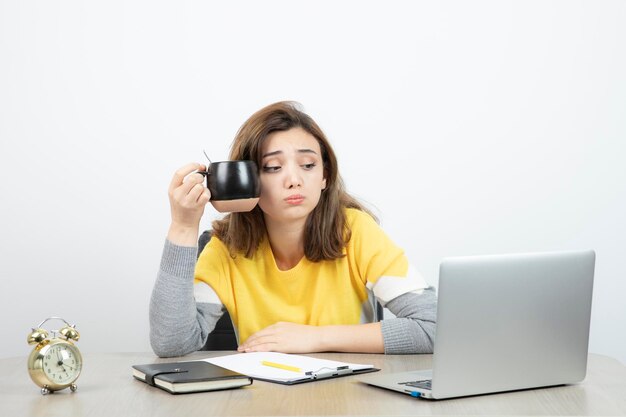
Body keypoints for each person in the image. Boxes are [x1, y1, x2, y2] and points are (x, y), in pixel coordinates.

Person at [150, 101, 436, 357]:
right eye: (273, 167)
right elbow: (171, 343)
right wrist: (183, 226)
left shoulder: (356, 231)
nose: (294, 180)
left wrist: (315, 338)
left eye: (308, 164)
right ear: (248, 180)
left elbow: (435, 327)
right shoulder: (226, 248)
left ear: (325, 175)